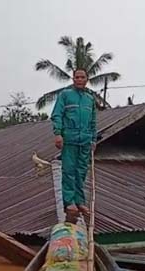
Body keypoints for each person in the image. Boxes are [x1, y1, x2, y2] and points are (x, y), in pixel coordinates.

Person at [51, 68, 97, 218]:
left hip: (85, 140)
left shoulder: (90, 99)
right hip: (69, 138)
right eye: (76, 77)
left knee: (81, 171)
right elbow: (57, 115)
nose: (79, 79)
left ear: (86, 79)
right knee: (69, 170)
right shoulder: (65, 95)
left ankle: (80, 201)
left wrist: (93, 139)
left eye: (82, 77)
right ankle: (69, 201)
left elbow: (93, 121)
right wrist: (58, 134)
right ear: (73, 79)